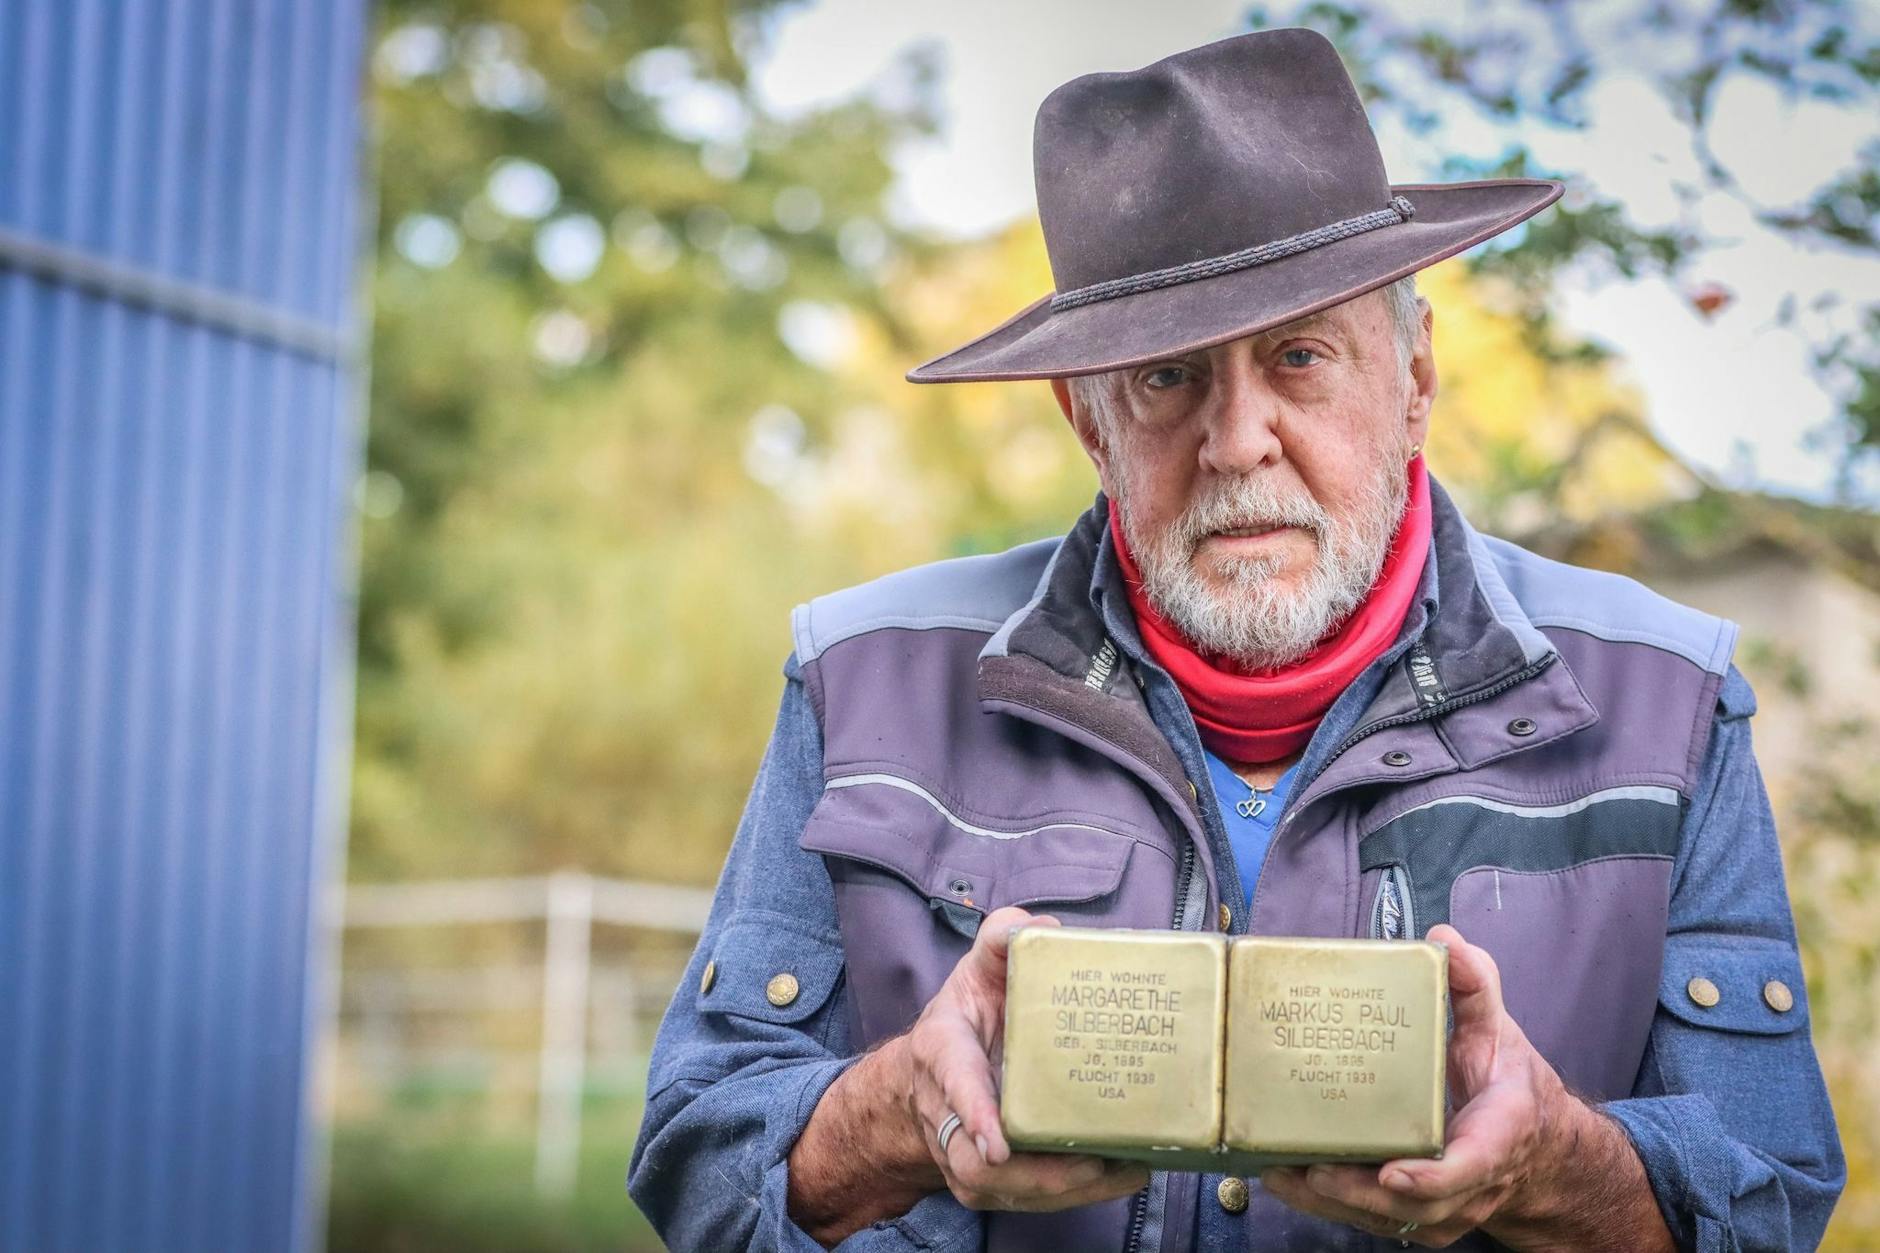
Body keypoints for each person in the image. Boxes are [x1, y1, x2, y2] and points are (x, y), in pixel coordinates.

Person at [628, 27, 1844, 1252]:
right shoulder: (859, 678)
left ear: (1415, 373)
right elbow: (695, 1164)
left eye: (1299, 355)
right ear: (1086, 420)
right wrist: (889, 1113)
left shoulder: (1668, 700)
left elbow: (1769, 1205)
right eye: (1166, 379)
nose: (1236, 441)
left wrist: (1551, 1163)